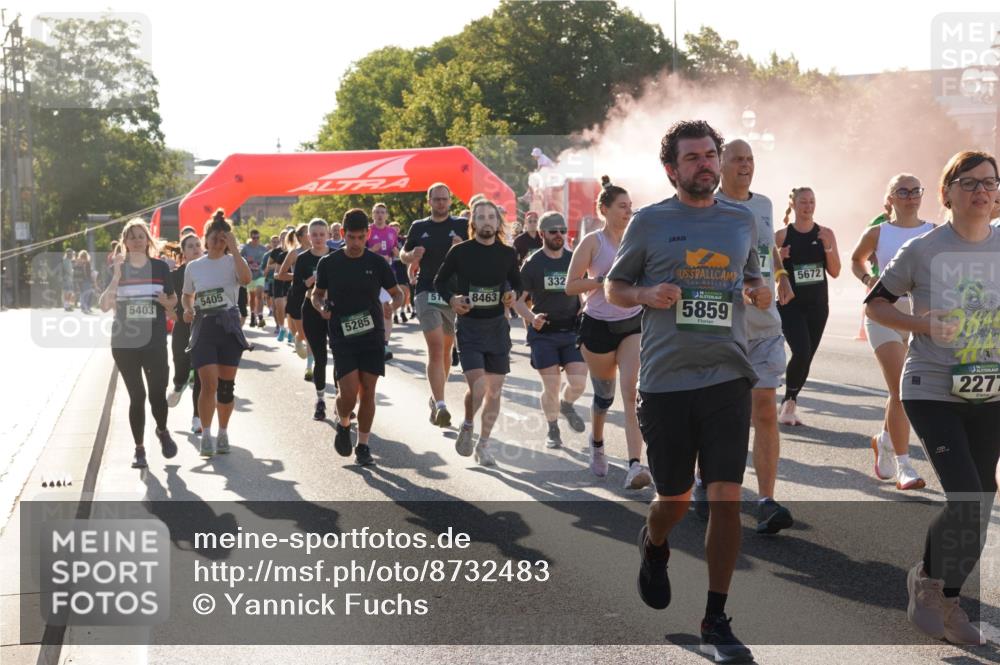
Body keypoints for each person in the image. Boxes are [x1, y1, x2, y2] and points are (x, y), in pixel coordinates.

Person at [607, 120, 771, 662]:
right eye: (693, 157)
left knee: (725, 498)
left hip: (727, 374)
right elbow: (615, 286)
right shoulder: (650, 223)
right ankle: (654, 544)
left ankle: (716, 618)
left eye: (710, 155)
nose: (705, 164)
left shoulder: (741, 219)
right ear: (672, 169)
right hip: (666, 381)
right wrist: (647, 292)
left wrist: (757, 288)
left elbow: (750, 277)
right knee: (674, 499)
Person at [865, 150, 1000, 645]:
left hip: (988, 390)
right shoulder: (923, 249)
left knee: (982, 501)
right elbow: (877, 303)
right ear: (947, 193)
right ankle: (926, 581)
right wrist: (921, 324)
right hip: (931, 387)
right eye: (968, 183)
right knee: (966, 494)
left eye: (989, 182)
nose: (980, 191)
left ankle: (949, 601)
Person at [712, 138, 794, 533]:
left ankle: (766, 501)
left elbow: (767, 249)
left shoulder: (763, 204)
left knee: (764, 410)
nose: (745, 165)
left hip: (764, 328)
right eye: (737, 159)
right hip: (721, 330)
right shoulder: (707, 208)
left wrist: (779, 276)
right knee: (722, 417)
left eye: (750, 159)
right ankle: (704, 481)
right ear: (721, 164)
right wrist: (738, 289)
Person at [566, 176, 651, 489]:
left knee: (631, 393)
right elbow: (570, 285)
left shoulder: (637, 241)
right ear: (604, 209)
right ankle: (597, 442)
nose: (628, 211)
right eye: (622, 206)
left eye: (630, 206)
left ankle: (634, 466)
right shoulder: (592, 242)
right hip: (598, 327)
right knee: (605, 396)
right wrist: (600, 282)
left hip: (632, 322)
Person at [850, 174, 934, 490]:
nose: (911, 196)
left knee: (898, 391)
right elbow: (856, 260)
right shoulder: (878, 232)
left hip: (918, 321)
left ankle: (884, 438)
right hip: (883, 316)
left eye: (916, 190)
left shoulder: (933, 233)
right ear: (890, 197)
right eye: (903, 190)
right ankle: (904, 466)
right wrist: (868, 280)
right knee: (903, 389)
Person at [312, 209, 404, 465]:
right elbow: (316, 295)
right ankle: (343, 423)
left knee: (368, 392)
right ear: (342, 234)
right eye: (351, 237)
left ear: (367, 235)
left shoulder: (376, 263)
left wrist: (393, 306)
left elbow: (398, 293)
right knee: (349, 394)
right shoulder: (329, 263)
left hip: (372, 334)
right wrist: (321, 308)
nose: (356, 243)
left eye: (361, 238)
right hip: (342, 335)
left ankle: (363, 445)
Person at [434, 198, 520, 466]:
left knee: (494, 392)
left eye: (491, 217)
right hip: (470, 327)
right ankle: (469, 423)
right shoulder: (461, 252)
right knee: (479, 387)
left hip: (497, 327)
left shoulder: (507, 254)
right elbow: (439, 281)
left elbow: (517, 282)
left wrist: (512, 293)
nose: (486, 221)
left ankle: (484, 444)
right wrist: (452, 300)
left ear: (498, 223)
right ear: (473, 222)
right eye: (480, 217)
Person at [99, 219, 178, 468]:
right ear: (125, 242)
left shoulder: (160, 267)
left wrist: (166, 303)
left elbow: (173, 301)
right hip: (124, 344)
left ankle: (162, 430)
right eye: (131, 236)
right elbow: (103, 305)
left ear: (147, 240)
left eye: (140, 236)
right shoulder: (116, 269)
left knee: (157, 395)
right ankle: (139, 449)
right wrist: (117, 276)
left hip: (154, 341)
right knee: (137, 395)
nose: (136, 240)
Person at [513, 212, 587, 448]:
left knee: (578, 383)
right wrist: (531, 317)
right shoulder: (533, 263)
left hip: (572, 331)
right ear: (542, 233)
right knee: (552, 384)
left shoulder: (574, 259)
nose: (559, 235)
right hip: (544, 332)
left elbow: (583, 288)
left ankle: (566, 405)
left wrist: (584, 305)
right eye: (554, 231)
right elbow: (517, 300)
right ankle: (553, 428)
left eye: (563, 231)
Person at [182, 210, 252, 457]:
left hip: (228, 326)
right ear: (206, 238)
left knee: (225, 388)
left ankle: (223, 432)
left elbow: (246, 280)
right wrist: (188, 309)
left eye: (223, 238)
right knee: (208, 384)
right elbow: (187, 295)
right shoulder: (194, 267)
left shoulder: (233, 262)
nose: (218, 241)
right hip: (205, 327)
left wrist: (234, 250)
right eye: (214, 237)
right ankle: (207, 434)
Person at [401, 182, 469, 427]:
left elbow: (477, 255)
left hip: (452, 294)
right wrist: (412, 256)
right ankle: (441, 405)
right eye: (436, 199)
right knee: (436, 347)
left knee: (447, 351)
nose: (441, 203)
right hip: (427, 290)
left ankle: (434, 398)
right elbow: (403, 254)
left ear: (450, 201)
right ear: (429, 201)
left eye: (445, 199)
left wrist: (462, 248)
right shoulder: (419, 227)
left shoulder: (461, 225)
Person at [775, 186, 841, 425]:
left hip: (818, 305)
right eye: (803, 202)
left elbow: (835, 271)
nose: (808, 206)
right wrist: (779, 259)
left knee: (807, 357)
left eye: (812, 201)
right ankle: (789, 404)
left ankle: (789, 400)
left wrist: (828, 248)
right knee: (801, 352)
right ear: (793, 204)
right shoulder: (781, 236)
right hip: (790, 305)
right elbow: (770, 272)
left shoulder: (826, 233)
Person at [292, 219, 335, 417]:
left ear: (328, 235)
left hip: (333, 310)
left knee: (341, 356)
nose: (318, 238)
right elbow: (295, 291)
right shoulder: (302, 259)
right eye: (314, 235)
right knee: (320, 358)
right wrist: (308, 281)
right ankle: (320, 400)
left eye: (321, 234)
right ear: (308, 237)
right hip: (311, 311)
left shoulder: (335, 256)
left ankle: (341, 400)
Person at [166, 233, 204, 434]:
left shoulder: (210, 271)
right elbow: (167, 302)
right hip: (182, 326)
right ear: (183, 252)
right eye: (190, 246)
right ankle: (179, 384)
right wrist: (175, 316)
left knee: (200, 374)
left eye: (198, 245)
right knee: (181, 365)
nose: (196, 248)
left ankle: (197, 417)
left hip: (205, 327)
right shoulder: (175, 275)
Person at [368, 203, 400, 360]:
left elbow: (396, 253)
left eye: (382, 212)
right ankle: (373, 341)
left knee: (387, 309)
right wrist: (372, 252)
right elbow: (358, 252)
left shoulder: (392, 232)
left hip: (387, 275)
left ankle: (385, 344)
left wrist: (395, 253)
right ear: (373, 215)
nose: (380, 215)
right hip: (369, 276)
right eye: (377, 212)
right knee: (373, 310)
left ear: (386, 215)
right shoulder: (368, 231)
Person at [277, 224, 311, 358]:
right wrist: (300, 278)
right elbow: (281, 275)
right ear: (300, 237)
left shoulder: (319, 251)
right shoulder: (294, 253)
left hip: (315, 293)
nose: (311, 235)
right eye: (307, 233)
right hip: (297, 293)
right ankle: (298, 337)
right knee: (303, 332)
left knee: (313, 332)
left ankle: (311, 364)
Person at [239, 229, 268, 328]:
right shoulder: (246, 248)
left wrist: (263, 269)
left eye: (257, 238)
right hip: (250, 275)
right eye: (254, 238)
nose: (256, 239)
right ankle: (252, 315)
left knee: (259, 295)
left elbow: (268, 262)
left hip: (260, 275)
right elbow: (240, 259)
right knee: (252, 297)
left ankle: (260, 316)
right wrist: (248, 264)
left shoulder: (264, 249)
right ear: (251, 238)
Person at [267, 230, 291, 342]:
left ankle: (291, 331)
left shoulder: (295, 252)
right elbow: (269, 266)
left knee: (290, 308)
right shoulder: (276, 252)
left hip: (290, 280)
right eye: (282, 237)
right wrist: (280, 265)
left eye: (286, 237)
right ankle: (281, 328)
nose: (283, 239)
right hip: (277, 280)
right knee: (279, 307)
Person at [390, 222, 411, 323]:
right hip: (392, 267)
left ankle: (402, 311)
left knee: (405, 290)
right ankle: (394, 314)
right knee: (395, 291)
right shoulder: (388, 239)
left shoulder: (403, 240)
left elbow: (407, 253)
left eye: (396, 228)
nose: (395, 230)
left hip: (402, 265)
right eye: (393, 229)